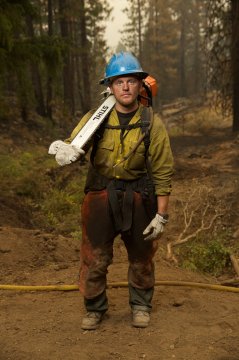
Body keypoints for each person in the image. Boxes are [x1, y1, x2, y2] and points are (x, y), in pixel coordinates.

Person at [49, 52, 174, 330]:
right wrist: (67, 150)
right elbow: (76, 145)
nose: (126, 87)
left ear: (141, 85)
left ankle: (141, 305)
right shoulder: (95, 119)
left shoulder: (151, 122)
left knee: (142, 256)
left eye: (131, 81)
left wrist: (161, 215)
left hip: (140, 196)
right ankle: (94, 308)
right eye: (119, 82)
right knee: (94, 256)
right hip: (100, 194)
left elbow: (164, 171)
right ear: (110, 87)